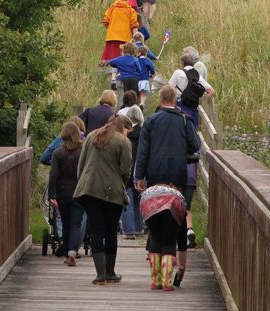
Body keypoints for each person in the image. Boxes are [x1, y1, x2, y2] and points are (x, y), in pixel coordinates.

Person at [134, 85, 200, 291]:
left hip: (154, 182)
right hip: (177, 184)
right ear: (175, 100)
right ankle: (168, 281)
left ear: (160, 99)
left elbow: (142, 152)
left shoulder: (151, 121)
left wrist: (139, 176)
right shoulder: (183, 120)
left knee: (155, 231)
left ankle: (155, 280)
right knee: (172, 232)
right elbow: (195, 145)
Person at [74, 115, 133, 285]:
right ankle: (110, 272)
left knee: (97, 230)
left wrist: (82, 184)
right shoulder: (123, 142)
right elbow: (125, 169)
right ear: (124, 127)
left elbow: (81, 165)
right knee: (110, 231)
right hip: (112, 192)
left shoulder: (92, 136)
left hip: (90, 189)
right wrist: (121, 184)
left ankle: (100, 275)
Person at [168, 52, 215, 249]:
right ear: (193, 64)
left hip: (180, 111)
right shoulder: (198, 76)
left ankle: (177, 228)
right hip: (194, 113)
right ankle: (188, 229)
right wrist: (200, 98)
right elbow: (211, 91)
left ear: (181, 63)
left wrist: (178, 97)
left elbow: (168, 90)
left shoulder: (178, 73)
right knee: (192, 136)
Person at [48, 122, 85, 266]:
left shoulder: (57, 153)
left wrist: (52, 194)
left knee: (65, 223)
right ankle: (72, 251)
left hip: (63, 192)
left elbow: (54, 175)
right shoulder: (82, 151)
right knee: (76, 223)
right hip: (79, 191)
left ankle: (66, 252)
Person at [121, 105, 144, 239]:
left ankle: (129, 231)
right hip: (140, 170)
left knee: (127, 201)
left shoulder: (126, 135)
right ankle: (139, 227)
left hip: (128, 169)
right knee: (138, 200)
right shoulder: (144, 132)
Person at [99, 0, 138, 64]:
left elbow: (105, 21)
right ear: (127, 1)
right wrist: (135, 36)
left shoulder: (111, 9)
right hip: (125, 38)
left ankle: (110, 74)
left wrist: (110, 29)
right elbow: (134, 24)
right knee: (124, 60)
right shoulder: (131, 11)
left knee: (109, 61)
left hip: (111, 37)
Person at [136, 44, 155, 110]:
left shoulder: (136, 60)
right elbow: (152, 68)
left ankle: (135, 105)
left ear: (139, 53)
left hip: (136, 79)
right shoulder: (147, 61)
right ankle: (142, 103)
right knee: (143, 93)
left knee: (136, 93)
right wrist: (152, 73)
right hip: (144, 79)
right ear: (146, 53)